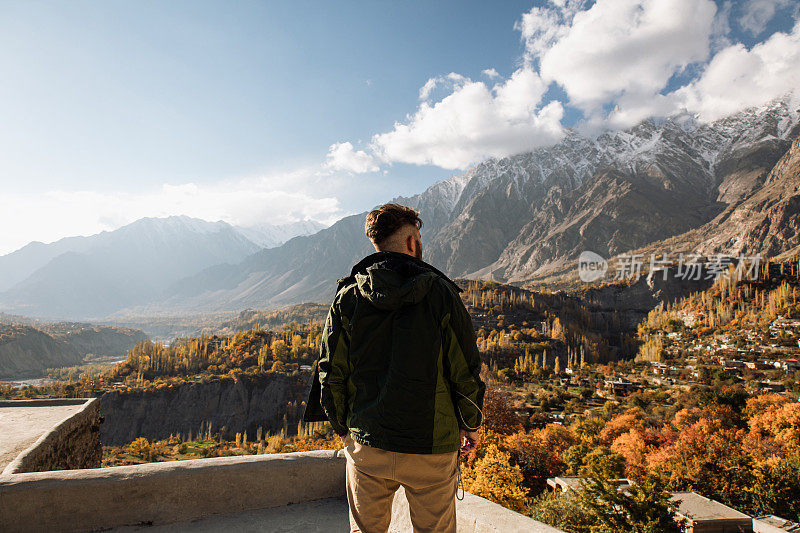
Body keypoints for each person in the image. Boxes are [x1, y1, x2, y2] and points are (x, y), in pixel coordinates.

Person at [302, 202, 486, 533]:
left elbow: (330, 373)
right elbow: (465, 370)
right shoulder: (441, 294)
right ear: (413, 242)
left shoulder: (349, 295)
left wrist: (345, 430)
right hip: (431, 448)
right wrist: (470, 424)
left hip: (367, 444)